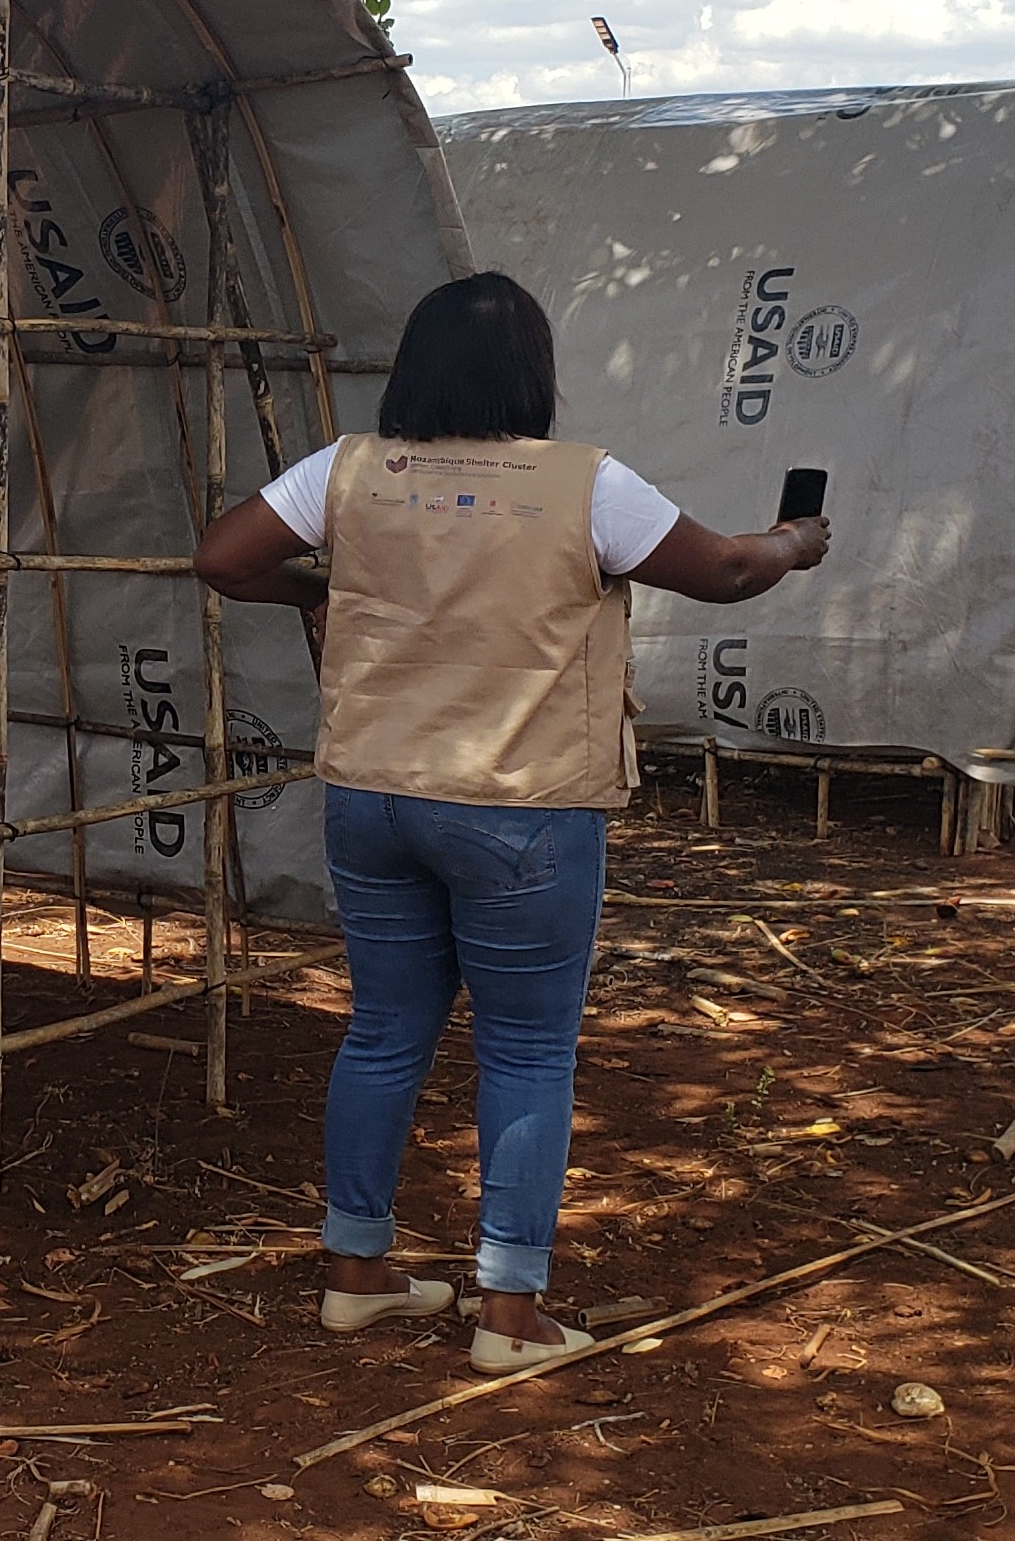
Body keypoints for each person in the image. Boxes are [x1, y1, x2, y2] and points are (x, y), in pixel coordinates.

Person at [193, 272, 829, 1371]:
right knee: (527, 1051)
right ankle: (509, 1310)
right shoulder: (583, 486)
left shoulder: (344, 471)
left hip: (374, 794)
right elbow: (723, 570)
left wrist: (317, 595)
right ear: (535, 376)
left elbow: (220, 558)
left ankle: (357, 1274)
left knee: (385, 1032)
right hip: (522, 806)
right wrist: (790, 540)